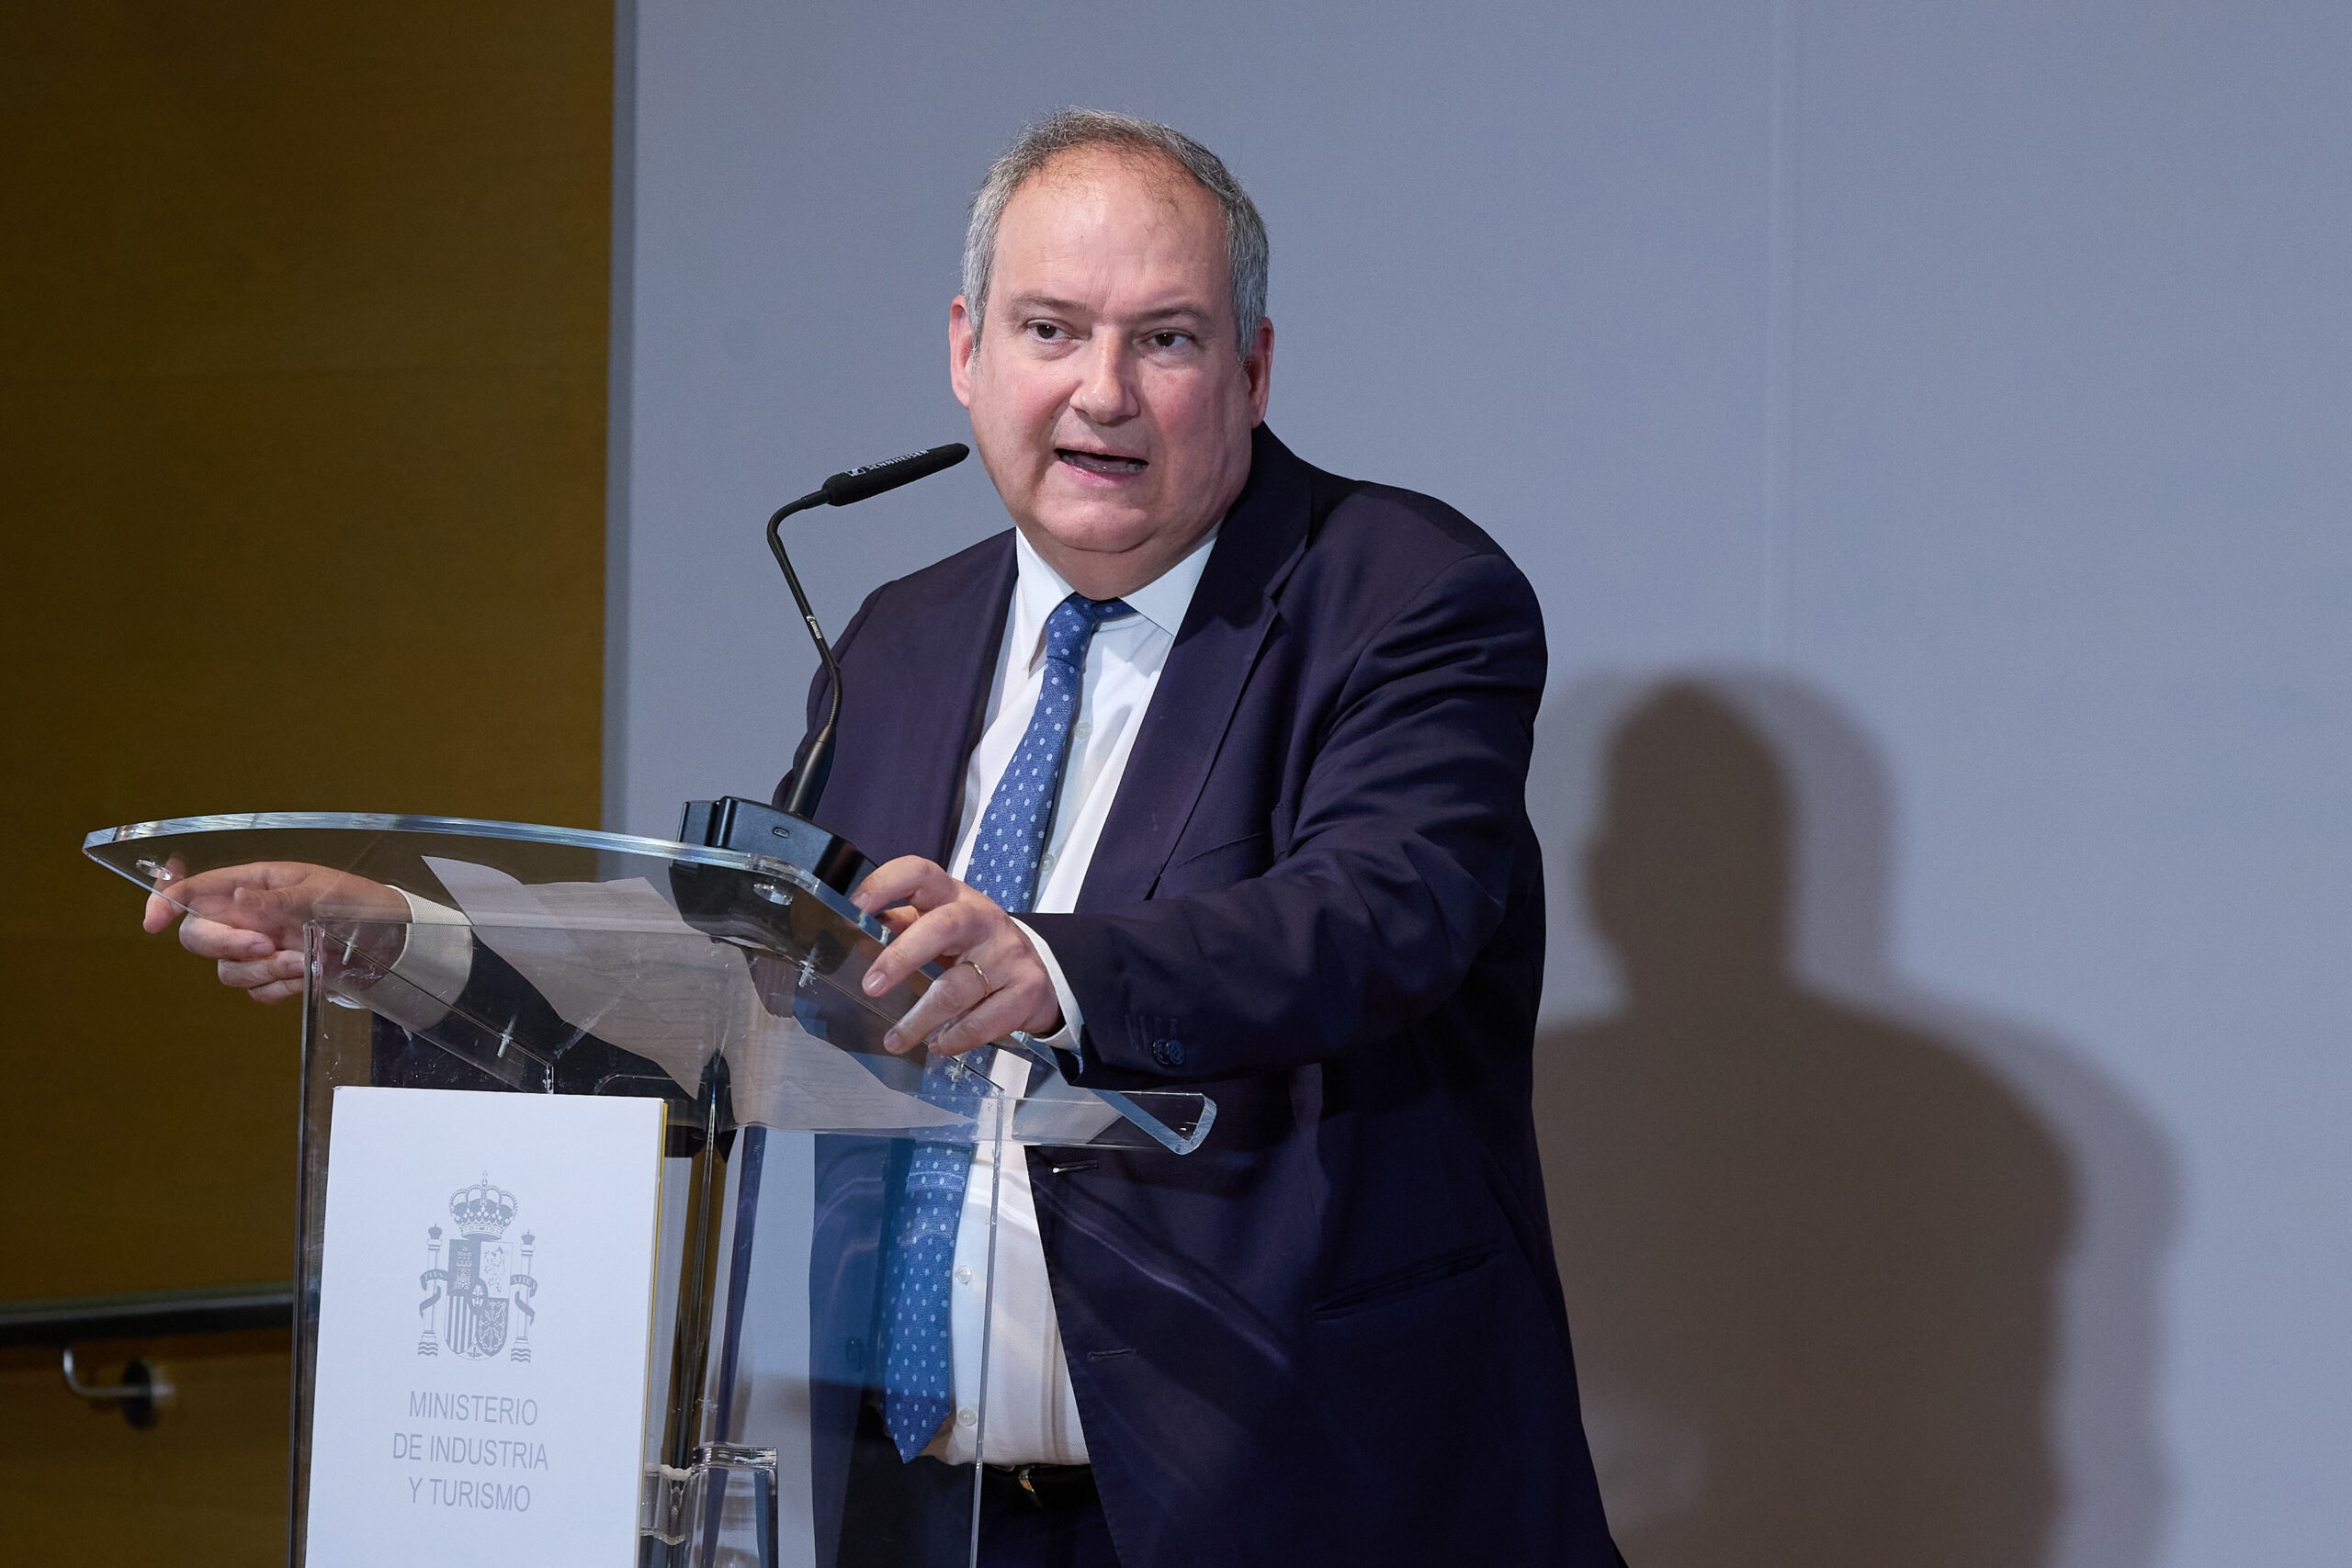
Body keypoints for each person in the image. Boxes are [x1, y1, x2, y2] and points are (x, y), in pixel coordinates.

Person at [150, 111, 1623, 1567]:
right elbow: (756, 986)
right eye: (1051, 330)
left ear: (1252, 370)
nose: (1102, 390)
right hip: (920, 1514)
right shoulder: (900, 639)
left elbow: (1381, 913)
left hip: (1290, 1500)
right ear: (967, 351)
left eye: (1165, 340)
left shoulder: (1406, 596)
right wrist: (410, 951)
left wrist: (1047, 968)